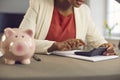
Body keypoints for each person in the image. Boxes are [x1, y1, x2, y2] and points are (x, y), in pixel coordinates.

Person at [19, 0, 116, 56]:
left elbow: (97, 40)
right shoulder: (39, 4)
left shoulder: (84, 11)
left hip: (73, 67)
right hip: (42, 65)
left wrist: (105, 46)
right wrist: (55, 46)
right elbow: (21, 41)